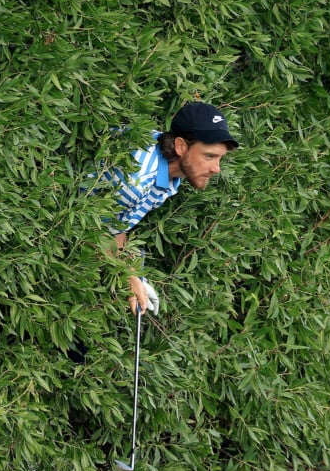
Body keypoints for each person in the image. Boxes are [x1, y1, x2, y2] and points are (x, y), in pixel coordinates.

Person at [99, 101, 239, 315]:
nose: (216, 169)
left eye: (220, 158)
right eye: (209, 156)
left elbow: (115, 226)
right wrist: (126, 276)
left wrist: (134, 273)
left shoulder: (170, 170)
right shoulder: (137, 179)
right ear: (181, 146)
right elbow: (88, 230)